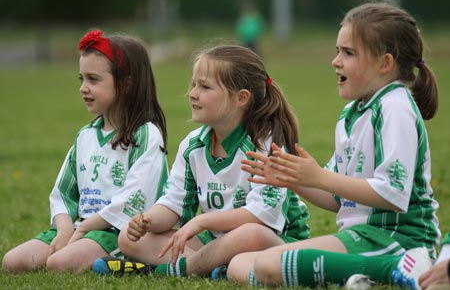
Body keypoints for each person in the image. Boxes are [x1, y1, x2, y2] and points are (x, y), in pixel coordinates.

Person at [227, 1, 440, 289]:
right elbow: (337, 197)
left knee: (266, 264)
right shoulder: (352, 114)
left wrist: (319, 176)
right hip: (360, 237)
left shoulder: (394, 106)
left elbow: (394, 193)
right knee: (239, 263)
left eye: (348, 53)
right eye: (337, 51)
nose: (335, 61)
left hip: (398, 239)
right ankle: (361, 276)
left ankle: (398, 267)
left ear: (385, 63)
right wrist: (294, 180)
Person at [92, 44, 310, 278]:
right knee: (128, 237)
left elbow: (261, 216)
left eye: (205, 87)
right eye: (193, 84)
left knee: (249, 234)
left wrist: (203, 221)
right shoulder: (193, 145)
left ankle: (170, 270)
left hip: (274, 242)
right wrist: (147, 221)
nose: (192, 93)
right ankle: (213, 267)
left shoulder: (266, 144)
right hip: (214, 242)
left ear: (241, 98)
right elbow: (173, 204)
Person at [1, 29, 169, 273]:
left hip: (117, 231)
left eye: (93, 79)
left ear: (126, 83)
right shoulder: (85, 135)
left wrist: (83, 229)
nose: (83, 88)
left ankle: (126, 262)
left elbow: (134, 200)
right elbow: (63, 192)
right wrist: (65, 228)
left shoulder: (146, 135)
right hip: (81, 226)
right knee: (13, 262)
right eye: (81, 79)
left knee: (58, 264)